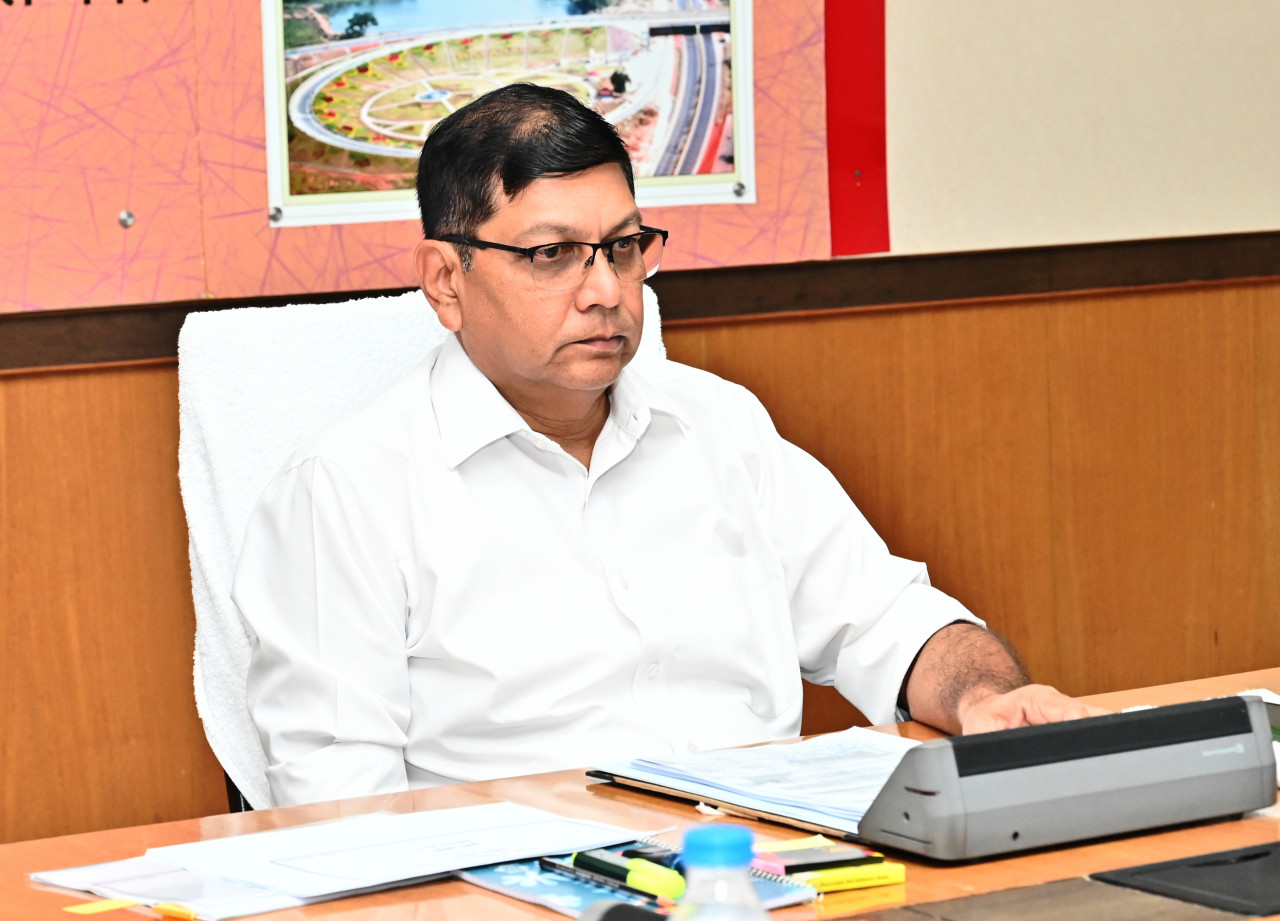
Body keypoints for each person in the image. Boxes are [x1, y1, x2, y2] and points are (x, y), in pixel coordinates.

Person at [232, 83, 1103, 808]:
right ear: (444, 281)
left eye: (622, 248)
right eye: (553, 254)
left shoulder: (720, 424)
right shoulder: (347, 491)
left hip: (766, 867)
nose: (605, 291)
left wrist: (985, 697)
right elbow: (339, 811)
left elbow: (891, 620)